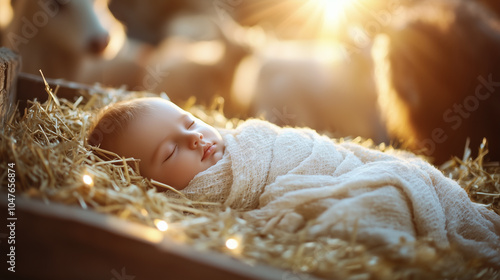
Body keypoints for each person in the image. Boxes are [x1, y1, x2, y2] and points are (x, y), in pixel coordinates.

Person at [87, 97, 500, 267]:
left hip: (343, 170)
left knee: (402, 175)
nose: (194, 137)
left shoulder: (250, 140)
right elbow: (264, 222)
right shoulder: (192, 204)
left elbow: (315, 149)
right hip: (349, 191)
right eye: (170, 152)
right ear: (143, 184)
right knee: (380, 202)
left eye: (190, 122)